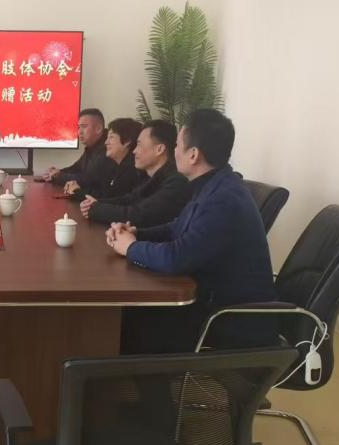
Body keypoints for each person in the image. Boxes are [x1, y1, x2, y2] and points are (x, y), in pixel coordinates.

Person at [106, 109, 277, 354]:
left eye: (177, 145)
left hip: (226, 322)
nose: (174, 151)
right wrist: (136, 233)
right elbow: (177, 227)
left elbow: (177, 257)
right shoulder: (214, 185)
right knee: (126, 315)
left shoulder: (223, 199)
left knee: (125, 322)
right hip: (210, 304)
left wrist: (130, 247)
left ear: (193, 154)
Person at [81, 119, 191, 227]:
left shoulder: (176, 181)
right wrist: (96, 203)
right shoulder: (153, 177)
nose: (134, 151)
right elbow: (130, 199)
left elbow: (139, 215)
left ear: (159, 149)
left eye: (139, 144)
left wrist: (95, 208)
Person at [64, 117, 143, 201]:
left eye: (111, 137)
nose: (106, 142)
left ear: (127, 141)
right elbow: (103, 193)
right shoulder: (114, 164)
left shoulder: (132, 168)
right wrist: (76, 188)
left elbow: (112, 200)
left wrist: (77, 192)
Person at [42, 108, 113, 189]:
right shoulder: (92, 146)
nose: (79, 132)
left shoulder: (108, 148)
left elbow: (88, 180)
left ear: (98, 129)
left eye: (84, 127)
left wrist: (58, 176)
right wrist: (56, 172)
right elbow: (76, 168)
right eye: (79, 127)